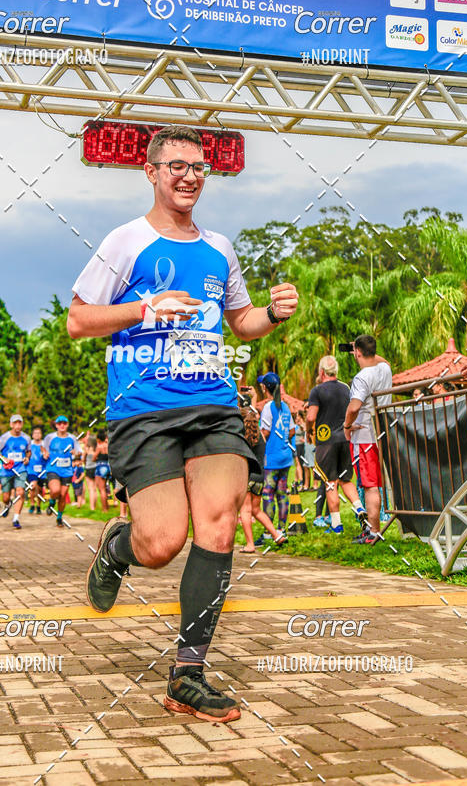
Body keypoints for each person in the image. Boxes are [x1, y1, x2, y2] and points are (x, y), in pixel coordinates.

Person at [67, 123, 298, 723]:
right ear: (151, 171)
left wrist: (271, 313)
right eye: (177, 165)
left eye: (199, 166)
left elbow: (240, 320)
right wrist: (146, 307)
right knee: (161, 543)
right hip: (144, 412)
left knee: (218, 525)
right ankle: (120, 546)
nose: (190, 175)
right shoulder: (125, 242)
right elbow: (78, 320)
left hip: (215, 405)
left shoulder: (220, 247)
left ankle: (188, 675)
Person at [306, 355, 368, 535]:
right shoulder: (346, 388)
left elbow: (310, 417)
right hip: (345, 439)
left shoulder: (317, 391)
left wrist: (310, 430)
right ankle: (360, 510)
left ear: (321, 372)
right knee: (346, 479)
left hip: (327, 442)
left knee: (330, 482)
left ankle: (336, 525)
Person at [344, 335, 393, 544]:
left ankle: (373, 532)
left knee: (370, 485)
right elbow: (384, 362)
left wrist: (346, 426)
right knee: (376, 483)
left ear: (357, 353)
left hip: (364, 436)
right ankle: (376, 528)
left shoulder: (362, 377)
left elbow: (354, 406)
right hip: (381, 433)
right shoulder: (384, 369)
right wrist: (365, 350)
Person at [237, 388, 287, 552]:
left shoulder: (241, 437)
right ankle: (277, 535)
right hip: (259, 477)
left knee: (246, 510)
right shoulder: (259, 436)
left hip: (246, 476)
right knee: (256, 510)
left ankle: (250, 544)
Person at [258, 373, 294, 541]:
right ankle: (282, 529)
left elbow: (264, 432)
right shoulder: (285, 406)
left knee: (267, 493)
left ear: (264, 387)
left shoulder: (268, 407)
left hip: (272, 457)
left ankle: (268, 532)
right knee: (282, 494)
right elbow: (292, 430)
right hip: (286, 456)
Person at [0, 415, 31, 530]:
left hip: (20, 469)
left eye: (20, 423)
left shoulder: (26, 438)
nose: (17, 426)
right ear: (11, 424)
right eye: (15, 423)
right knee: (5, 496)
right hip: (7, 470)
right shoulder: (4, 438)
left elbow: (28, 451)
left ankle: (16, 518)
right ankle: (7, 504)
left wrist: (27, 458)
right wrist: (4, 459)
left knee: (20, 492)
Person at [43, 416, 80, 528]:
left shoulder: (72, 438)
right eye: (60, 424)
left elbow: (79, 452)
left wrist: (76, 453)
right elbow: (43, 448)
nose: (62, 425)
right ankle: (52, 502)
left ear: (67, 424)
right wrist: (44, 454)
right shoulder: (50, 437)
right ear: (56, 425)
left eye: (64, 423)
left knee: (63, 495)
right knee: (55, 490)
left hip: (67, 471)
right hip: (53, 468)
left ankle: (59, 517)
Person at [27, 426, 46, 515]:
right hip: (31, 469)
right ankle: (32, 504)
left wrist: (44, 453)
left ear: (41, 435)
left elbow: (47, 455)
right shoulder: (29, 444)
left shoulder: (44, 444)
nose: (37, 435)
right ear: (32, 435)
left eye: (39, 433)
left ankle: (38, 505)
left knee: (40, 488)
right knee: (32, 486)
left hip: (42, 470)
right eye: (35, 433)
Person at [93, 430, 111, 513]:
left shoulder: (99, 446)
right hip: (108, 466)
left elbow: (94, 457)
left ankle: (105, 509)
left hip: (101, 466)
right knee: (106, 487)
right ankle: (107, 506)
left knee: (102, 489)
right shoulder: (108, 445)